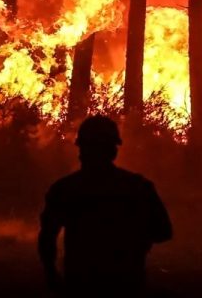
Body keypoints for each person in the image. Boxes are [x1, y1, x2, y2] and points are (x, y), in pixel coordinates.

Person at [39, 115, 172, 297]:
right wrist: (137, 241)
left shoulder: (65, 189)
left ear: (81, 150)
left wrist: (51, 273)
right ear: (113, 151)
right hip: (126, 282)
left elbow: (47, 237)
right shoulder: (138, 187)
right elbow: (163, 231)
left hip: (81, 284)